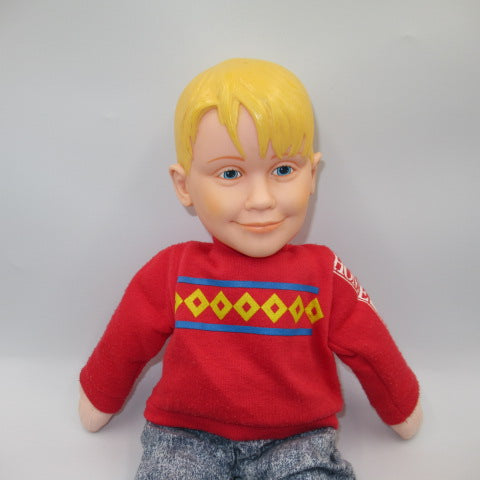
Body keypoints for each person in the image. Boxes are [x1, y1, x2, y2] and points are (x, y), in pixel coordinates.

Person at [79, 58, 422, 479]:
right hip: (185, 435)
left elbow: (370, 346)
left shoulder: (324, 274)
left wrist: (400, 405)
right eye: (230, 173)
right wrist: (100, 397)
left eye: (283, 170)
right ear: (184, 186)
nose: (261, 199)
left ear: (312, 174)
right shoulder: (174, 271)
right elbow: (126, 340)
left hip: (298, 438)